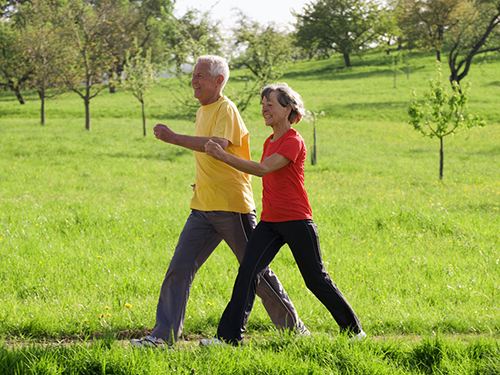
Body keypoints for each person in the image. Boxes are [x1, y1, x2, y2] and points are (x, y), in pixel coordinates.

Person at [131, 56, 307, 347]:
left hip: (232, 206)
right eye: (194, 75)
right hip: (202, 206)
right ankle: (163, 336)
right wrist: (203, 181)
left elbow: (216, 146)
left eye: (201, 76)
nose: (194, 81)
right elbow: (209, 156)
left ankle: (293, 328)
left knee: (256, 272)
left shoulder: (227, 109)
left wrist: (174, 137)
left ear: (219, 81)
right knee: (179, 268)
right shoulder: (203, 110)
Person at [203, 83, 365, 346]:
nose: (265, 108)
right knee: (247, 274)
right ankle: (228, 337)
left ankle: (354, 331)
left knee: (315, 279)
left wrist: (222, 156)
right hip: (270, 222)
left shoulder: (293, 141)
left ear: (288, 108)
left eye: (271, 104)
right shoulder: (269, 141)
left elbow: (263, 169)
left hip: (297, 220)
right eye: (263, 104)